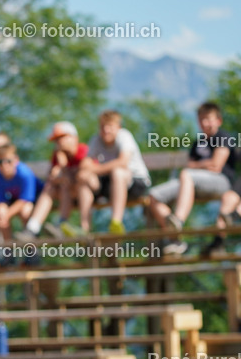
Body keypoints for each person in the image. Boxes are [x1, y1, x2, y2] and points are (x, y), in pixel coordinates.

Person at [148, 101, 238, 256]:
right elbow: (190, 165)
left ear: (218, 120)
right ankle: (175, 239)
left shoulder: (223, 137)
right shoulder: (198, 143)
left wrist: (197, 166)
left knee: (186, 174)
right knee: (153, 195)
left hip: (221, 182)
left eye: (208, 119)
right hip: (192, 183)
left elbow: (216, 166)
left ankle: (178, 220)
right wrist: (202, 165)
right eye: (201, 119)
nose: (205, 123)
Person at [77, 109, 150, 235]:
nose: (106, 130)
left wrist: (95, 170)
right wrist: (91, 173)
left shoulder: (124, 136)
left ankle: (116, 222)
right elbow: (84, 164)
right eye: (102, 126)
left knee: (118, 172)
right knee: (83, 176)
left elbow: (122, 162)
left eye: (110, 126)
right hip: (111, 183)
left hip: (136, 183)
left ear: (118, 127)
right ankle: (84, 228)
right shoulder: (96, 139)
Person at [23, 121, 89, 238]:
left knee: (65, 183)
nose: (58, 142)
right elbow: (52, 177)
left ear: (74, 137)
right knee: (50, 187)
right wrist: (57, 173)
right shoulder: (57, 154)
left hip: (86, 192)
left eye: (61, 138)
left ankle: (63, 224)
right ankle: (33, 228)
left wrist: (63, 168)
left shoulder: (83, 150)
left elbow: (84, 176)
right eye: (56, 139)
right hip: (66, 192)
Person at [0, 143, 39, 243]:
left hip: (34, 200)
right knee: (0, 211)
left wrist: (7, 215)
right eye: (0, 162)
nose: (4, 165)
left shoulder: (25, 173)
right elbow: (1, 199)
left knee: (25, 211)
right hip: (14, 200)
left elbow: (25, 199)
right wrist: (3, 214)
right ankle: (9, 248)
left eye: (8, 161)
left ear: (16, 160)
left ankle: (31, 248)